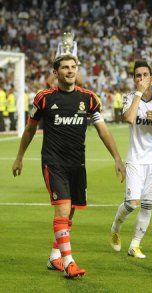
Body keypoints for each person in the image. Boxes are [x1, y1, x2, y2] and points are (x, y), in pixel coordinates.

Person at [11, 38, 125, 278]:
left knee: (71, 210)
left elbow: (103, 129)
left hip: (77, 163)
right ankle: (69, 262)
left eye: (73, 67)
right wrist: (19, 157)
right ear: (56, 72)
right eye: (65, 67)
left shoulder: (89, 99)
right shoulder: (44, 98)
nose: (70, 71)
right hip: (54, 162)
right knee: (62, 210)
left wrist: (116, 157)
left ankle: (55, 258)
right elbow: (30, 129)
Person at [109, 60, 152, 259]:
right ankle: (116, 226)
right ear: (134, 79)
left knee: (148, 205)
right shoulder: (129, 97)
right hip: (135, 159)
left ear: (151, 77)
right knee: (132, 203)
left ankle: (135, 245)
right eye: (138, 75)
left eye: (145, 75)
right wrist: (138, 94)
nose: (142, 78)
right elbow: (128, 118)